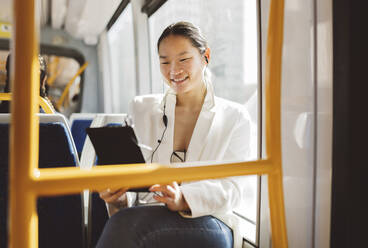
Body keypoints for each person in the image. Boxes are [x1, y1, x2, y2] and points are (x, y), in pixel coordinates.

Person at [97, 21, 254, 248]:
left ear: (205, 56)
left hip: (208, 218)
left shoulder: (235, 117)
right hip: (146, 215)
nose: (173, 70)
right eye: (164, 61)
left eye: (183, 59)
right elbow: (135, 193)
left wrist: (183, 198)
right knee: (126, 222)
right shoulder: (142, 110)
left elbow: (233, 189)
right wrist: (121, 198)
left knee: (128, 226)